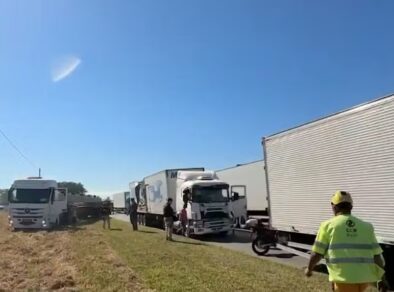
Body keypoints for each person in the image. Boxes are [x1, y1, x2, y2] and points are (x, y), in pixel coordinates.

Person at [306, 191, 387, 292]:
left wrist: (309, 269)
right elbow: (377, 257)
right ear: (351, 207)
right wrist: (382, 279)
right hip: (367, 281)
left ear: (334, 206)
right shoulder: (367, 227)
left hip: (343, 282)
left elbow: (316, 254)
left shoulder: (327, 226)